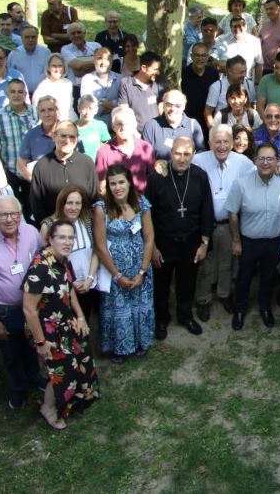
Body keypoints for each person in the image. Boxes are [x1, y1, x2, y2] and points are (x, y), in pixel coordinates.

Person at [0, 196, 45, 410]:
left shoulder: (31, 232)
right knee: (11, 354)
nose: (9, 219)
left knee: (32, 346)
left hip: (32, 307)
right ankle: (18, 388)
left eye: (14, 214)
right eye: (3, 215)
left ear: (20, 215)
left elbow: (43, 257)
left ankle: (34, 378)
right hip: (5, 310)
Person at [23, 220, 99, 429]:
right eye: (62, 237)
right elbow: (29, 309)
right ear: (50, 239)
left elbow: (70, 288)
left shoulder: (63, 259)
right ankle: (48, 408)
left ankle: (79, 397)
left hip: (66, 322)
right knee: (60, 371)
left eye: (71, 237)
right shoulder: (40, 268)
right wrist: (41, 342)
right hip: (46, 330)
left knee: (81, 357)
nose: (67, 242)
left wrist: (81, 317)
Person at [144, 137, 214, 339]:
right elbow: (147, 214)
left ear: (193, 154)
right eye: (177, 154)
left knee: (187, 282)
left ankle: (185, 316)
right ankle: (162, 319)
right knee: (162, 283)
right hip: (164, 242)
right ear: (170, 153)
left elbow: (206, 210)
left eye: (186, 154)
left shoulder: (200, 176)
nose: (181, 159)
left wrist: (204, 243)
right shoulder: (157, 177)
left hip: (191, 242)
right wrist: (153, 247)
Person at [225, 141, 280, 330]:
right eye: (261, 158)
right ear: (254, 161)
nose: (265, 162)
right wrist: (236, 240)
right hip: (249, 241)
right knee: (244, 276)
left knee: (269, 276)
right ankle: (240, 309)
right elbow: (232, 213)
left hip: (274, 240)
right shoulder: (242, 183)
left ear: (277, 161)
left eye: (270, 158)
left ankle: (265, 307)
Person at [193, 124, 255, 320]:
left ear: (232, 143)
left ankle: (224, 294)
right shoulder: (197, 161)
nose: (222, 146)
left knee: (227, 263)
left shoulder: (242, 162)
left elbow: (259, 176)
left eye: (226, 142)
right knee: (205, 265)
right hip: (205, 225)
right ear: (210, 143)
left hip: (229, 224)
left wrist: (279, 168)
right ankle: (203, 300)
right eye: (217, 142)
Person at [94, 165, 155, 361]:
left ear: (129, 182)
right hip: (115, 270)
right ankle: (119, 348)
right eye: (113, 183)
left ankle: (140, 342)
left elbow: (149, 238)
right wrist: (117, 275)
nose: (118, 187)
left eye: (121, 182)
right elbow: (101, 246)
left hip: (140, 267)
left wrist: (142, 271)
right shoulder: (101, 208)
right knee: (118, 310)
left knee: (140, 306)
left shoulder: (141, 202)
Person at [39, 184, 99, 322]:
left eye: (78, 203)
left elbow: (96, 250)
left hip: (88, 285)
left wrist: (90, 278)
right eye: (70, 203)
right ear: (62, 203)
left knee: (84, 324)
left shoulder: (87, 221)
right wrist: (71, 283)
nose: (74, 207)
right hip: (62, 287)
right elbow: (45, 260)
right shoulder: (49, 225)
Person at [28, 120, 99, 225]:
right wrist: (48, 228)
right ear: (54, 137)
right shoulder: (41, 166)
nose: (67, 141)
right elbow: (36, 204)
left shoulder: (87, 163)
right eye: (63, 136)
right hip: (54, 230)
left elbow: (94, 198)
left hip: (84, 228)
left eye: (72, 137)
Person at [0, 79, 35, 205]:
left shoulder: (35, 112)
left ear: (25, 94)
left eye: (20, 92)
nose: (17, 95)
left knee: (34, 207)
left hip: (33, 171)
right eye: (13, 92)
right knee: (13, 206)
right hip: (10, 170)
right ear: (7, 94)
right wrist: (1, 163)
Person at [96, 105, 155, 193]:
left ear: (134, 125)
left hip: (143, 201)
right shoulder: (104, 151)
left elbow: (153, 180)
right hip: (116, 203)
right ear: (113, 127)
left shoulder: (146, 148)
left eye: (127, 124)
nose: (123, 128)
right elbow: (102, 187)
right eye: (119, 124)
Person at [142, 89, 206, 161]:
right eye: (169, 104)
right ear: (163, 105)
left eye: (177, 106)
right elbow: (144, 158)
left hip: (187, 171)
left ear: (184, 106)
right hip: (159, 171)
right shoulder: (151, 126)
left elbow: (201, 154)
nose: (173, 109)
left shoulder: (193, 125)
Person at [17, 96, 60, 187]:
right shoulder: (32, 135)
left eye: (50, 110)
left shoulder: (68, 130)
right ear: (38, 114)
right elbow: (20, 164)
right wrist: (34, 181)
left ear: (58, 111)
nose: (47, 114)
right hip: (41, 187)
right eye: (42, 111)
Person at [181, 42, 219, 139]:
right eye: (197, 55)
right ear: (191, 56)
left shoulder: (213, 74)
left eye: (203, 55)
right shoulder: (183, 74)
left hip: (208, 119)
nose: (200, 58)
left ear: (207, 57)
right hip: (189, 120)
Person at [205, 55, 257, 124]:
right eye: (241, 72)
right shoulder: (216, 87)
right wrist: (213, 130)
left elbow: (252, 106)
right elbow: (207, 112)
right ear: (229, 71)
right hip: (223, 130)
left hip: (245, 130)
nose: (244, 75)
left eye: (245, 71)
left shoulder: (249, 84)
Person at [118, 51, 165, 127]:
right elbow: (124, 111)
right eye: (155, 69)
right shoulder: (126, 84)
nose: (158, 72)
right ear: (143, 68)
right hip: (136, 133)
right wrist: (134, 133)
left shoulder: (159, 83)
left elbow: (161, 107)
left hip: (156, 130)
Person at [213, 16, 263, 82]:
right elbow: (214, 61)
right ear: (230, 28)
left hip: (247, 81)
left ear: (245, 27)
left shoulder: (255, 42)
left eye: (240, 26)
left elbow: (259, 63)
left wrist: (257, 83)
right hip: (227, 80)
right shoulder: (221, 40)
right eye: (235, 26)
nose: (237, 28)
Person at [80, 46, 121, 124]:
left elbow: (124, 105)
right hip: (94, 129)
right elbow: (86, 108)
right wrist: (113, 106)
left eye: (107, 59)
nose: (103, 62)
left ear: (111, 60)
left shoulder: (120, 79)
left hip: (116, 129)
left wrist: (102, 104)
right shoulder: (87, 79)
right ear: (94, 60)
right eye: (99, 58)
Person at [6, 27, 49, 97]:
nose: (30, 40)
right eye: (27, 37)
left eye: (33, 37)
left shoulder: (46, 52)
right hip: (21, 96)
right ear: (21, 38)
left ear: (37, 37)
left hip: (43, 94)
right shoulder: (14, 54)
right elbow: (9, 75)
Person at [255, 0, 280, 76]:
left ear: (279, 8)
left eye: (271, 8)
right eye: (267, 9)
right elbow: (259, 42)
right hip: (264, 68)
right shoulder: (264, 24)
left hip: (279, 70)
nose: (268, 11)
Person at [33, 53, 75, 121]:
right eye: (54, 66)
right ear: (48, 68)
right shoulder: (42, 87)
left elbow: (70, 108)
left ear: (64, 68)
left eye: (60, 66)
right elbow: (37, 112)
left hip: (70, 122)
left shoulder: (68, 83)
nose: (57, 69)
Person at [60, 22, 100, 93]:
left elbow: (103, 62)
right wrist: (94, 64)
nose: (76, 35)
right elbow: (78, 65)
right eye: (73, 33)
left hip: (95, 86)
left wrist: (82, 69)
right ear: (69, 36)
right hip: (75, 88)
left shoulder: (96, 46)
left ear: (84, 33)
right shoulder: (65, 49)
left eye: (79, 32)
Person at [75, 94, 111, 160]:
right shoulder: (72, 128)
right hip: (78, 164)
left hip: (96, 165)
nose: (87, 112)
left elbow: (107, 145)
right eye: (84, 108)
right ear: (78, 108)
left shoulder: (100, 126)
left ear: (96, 110)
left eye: (90, 108)